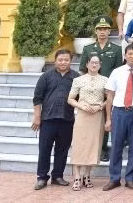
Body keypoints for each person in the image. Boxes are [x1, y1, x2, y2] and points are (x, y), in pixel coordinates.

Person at [103, 43, 133, 191]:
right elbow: (110, 96)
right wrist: (108, 118)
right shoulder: (116, 72)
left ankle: (131, 178)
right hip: (118, 112)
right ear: (125, 55)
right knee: (116, 146)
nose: (132, 56)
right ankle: (114, 178)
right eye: (130, 53)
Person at [33, 49, 80, 191]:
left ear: (70, 61)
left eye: (66, 60)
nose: (63, 62)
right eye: (60, 60)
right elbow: (37, 98)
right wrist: (37, 117)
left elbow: (80, 98)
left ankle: (57, 176)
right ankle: (42, 177)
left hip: (67, 120)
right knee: (44, 150)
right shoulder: (46, 76)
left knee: (62, 150)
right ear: (55, 61)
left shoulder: (76, 78)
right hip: (48, 119)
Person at [81, 16, 125, 164]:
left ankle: (104, 148)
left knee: (107, 118)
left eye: (105, 29)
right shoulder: (88, 49)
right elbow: (82, 70)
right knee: (90, 117)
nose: (102, 32)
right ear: (96, 31)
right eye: (100, 29)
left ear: (109, 31)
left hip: (108, 89)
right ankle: (89, 146)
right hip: (91, 89)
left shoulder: (116, 49)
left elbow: (119, 71)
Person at [67, 55, 108, 191]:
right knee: (79, 145)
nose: (94, 65)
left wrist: (100, 106)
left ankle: (87, 175)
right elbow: (70, 99)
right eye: (92, 62)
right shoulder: (78, 80)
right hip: (83, 114)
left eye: (97, 63)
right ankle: (77, 176)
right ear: (87, 64)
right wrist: (81, 106)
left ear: (100, 65)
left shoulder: (105, 80)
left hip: (97, 115)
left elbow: (110, 99)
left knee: (93, 145)